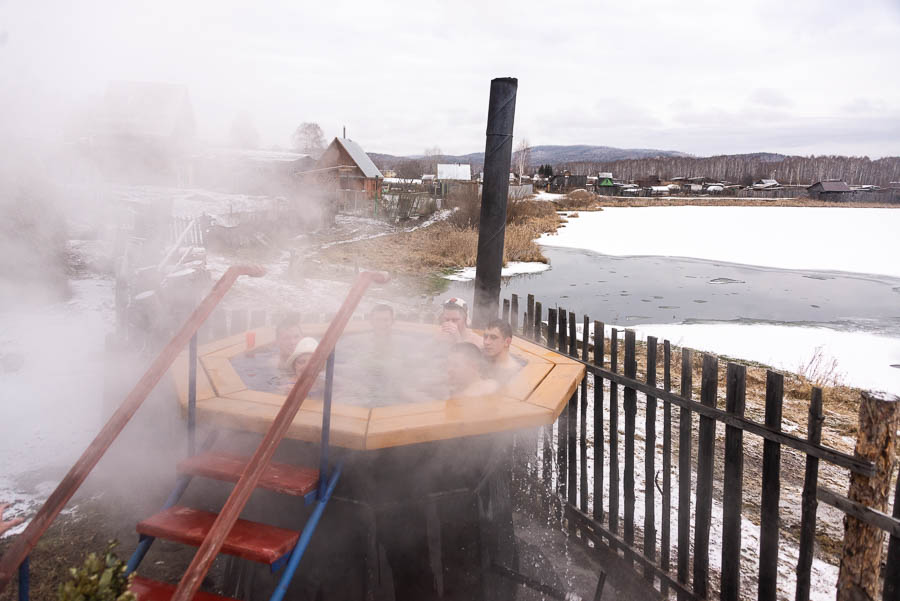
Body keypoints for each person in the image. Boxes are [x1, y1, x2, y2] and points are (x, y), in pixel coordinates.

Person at [482, 319, 522, 383]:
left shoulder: (513, 372)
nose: (486, 342)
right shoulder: (481, 360)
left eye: (493, 337)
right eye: (485, 337)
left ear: (507, 342)